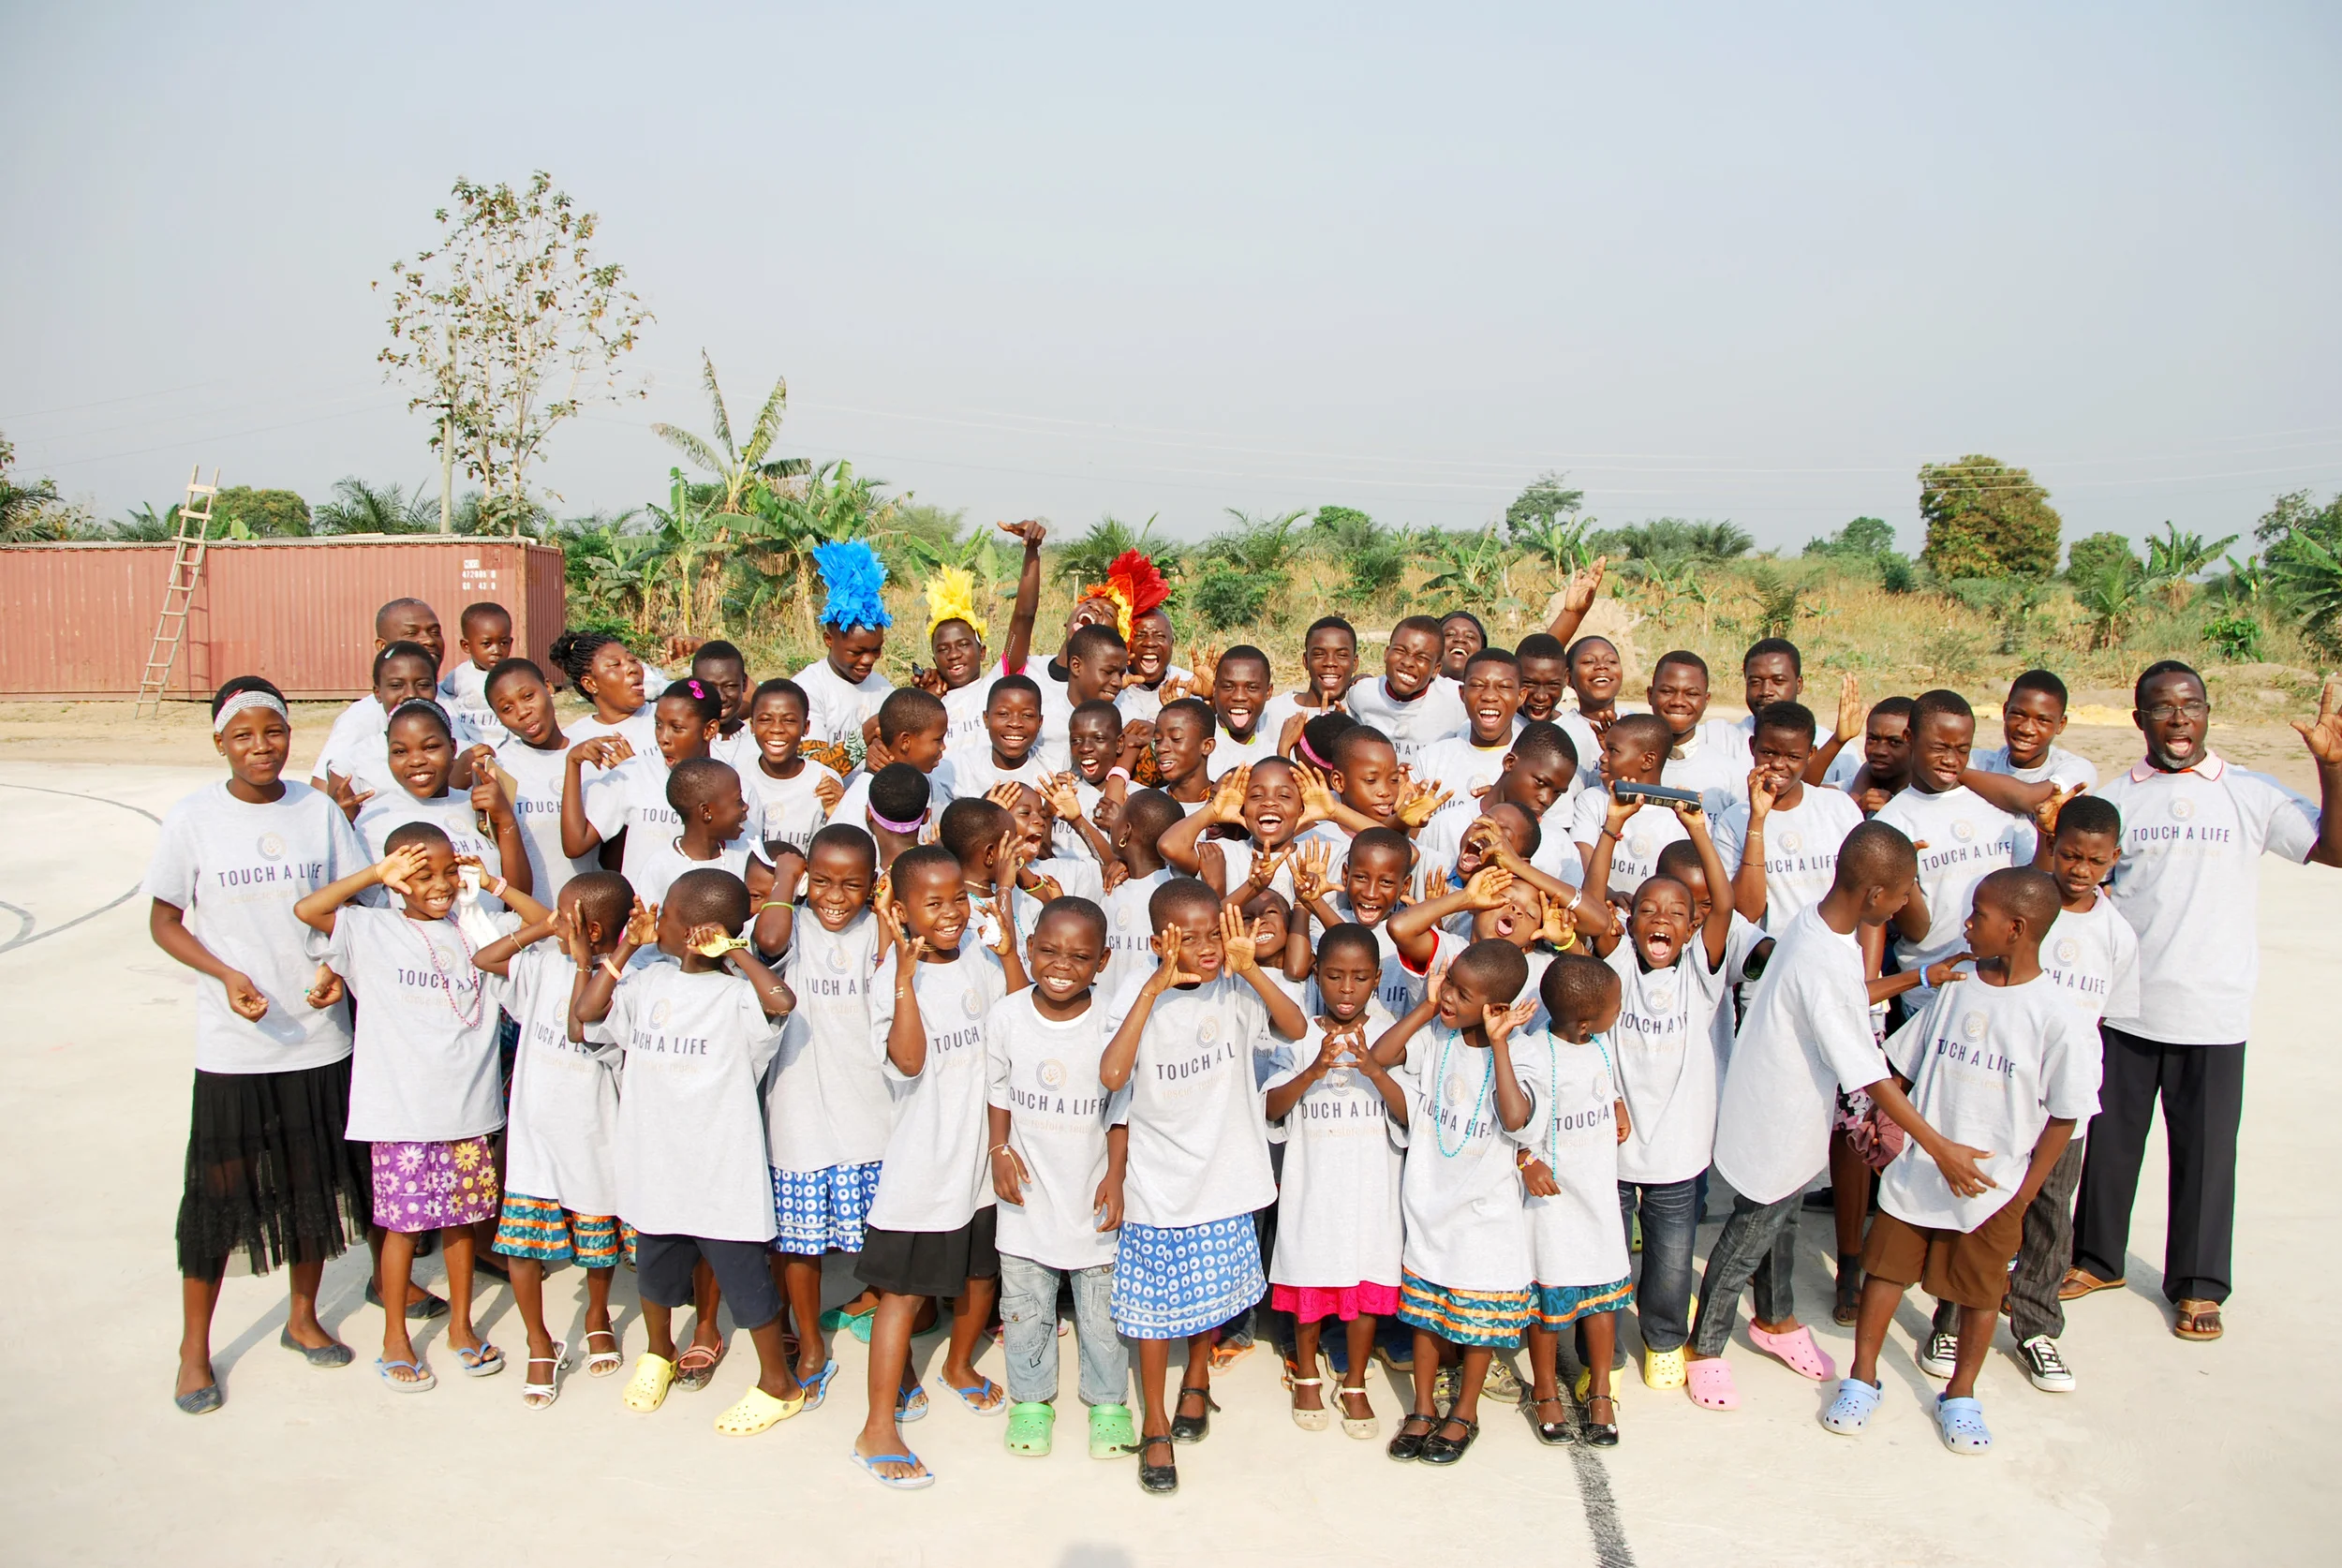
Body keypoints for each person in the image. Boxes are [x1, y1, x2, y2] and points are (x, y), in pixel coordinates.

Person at [2068, 665, 2342, 1341]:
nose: (2178, 719)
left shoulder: (2250, 792)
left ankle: (2197, 1284)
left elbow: (2333, 849)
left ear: (2208, 712)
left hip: (2213, 1011)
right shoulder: (2117, 801)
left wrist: (2332, 769)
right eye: (2162, 708)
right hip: (2128, 1007)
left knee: (2207, 1155)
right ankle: (2097, 1259)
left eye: (2190, 705)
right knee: (2111, 1145)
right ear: (2139, 719)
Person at [1684, 821, 1983, 1412]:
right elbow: (1869, 1074)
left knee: (1783, 1222)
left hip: (1793, 1120)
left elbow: (1844, 999)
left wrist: (1920, 975)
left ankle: (1775, 1318)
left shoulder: (1819, 925)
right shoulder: (1823, 955)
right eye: (1904, 893)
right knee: (1750, 1234)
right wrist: (1940, 1147)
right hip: (1777, 1121)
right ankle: (1705, 1347)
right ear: (1875, 895)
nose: (1905, 904)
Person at [148, 678, 374, 1413]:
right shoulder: (193, 819)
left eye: (272, 732)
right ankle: (194, 1349)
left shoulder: (317, 812)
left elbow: (353, 903)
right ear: (220, 742)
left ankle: (302, 1318)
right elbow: (165, 919)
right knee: (218, 1194)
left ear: (289, 735)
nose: (260, 747)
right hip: (236, 1044)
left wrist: (337, 968)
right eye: (242, 736)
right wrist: (224, 974)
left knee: (314, 1183)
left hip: (317, 1036)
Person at [1823, 868, 2097, 1455]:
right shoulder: (1957, 987)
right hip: (1918, 1173)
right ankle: (1862, 1378)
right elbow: (1904, 1062)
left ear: (2017, 928)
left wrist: (2022, 1194)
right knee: (1884, 1273)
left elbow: (2066, 1115)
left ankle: (1962, 1395)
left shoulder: (2058, 1014)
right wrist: (1879, 1120)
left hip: (1991, 1190)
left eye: (1979, 915)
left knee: (1979, 1295)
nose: (1967, 923)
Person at [573, 867, 810, 1436]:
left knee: (748, 1287)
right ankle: (658, 1352)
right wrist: (626, 947)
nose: (655, 916)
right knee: (654, 1275)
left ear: (690, 931)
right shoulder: (646, 984)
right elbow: (585, 1015)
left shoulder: (737, 998)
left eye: (667, 911)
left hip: (722, 1173)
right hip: (657, 1164)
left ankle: (779, 1386)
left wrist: (736, 951)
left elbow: (783, 999)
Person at [1914, 790, 2135, 1393]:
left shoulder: (2117, 934)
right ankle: (1951, 1320)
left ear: (2114, 860)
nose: (2080, 870)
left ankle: (2036, 1327)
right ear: (2053, 848)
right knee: (1976, 1211)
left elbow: (2105, 1020)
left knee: (2048, 1215)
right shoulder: (2017, 908)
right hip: (1992, 1100)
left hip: (2057, 1111)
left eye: (2094, 861)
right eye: (2070, 855)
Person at [1100, 883, 1308, 1495]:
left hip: (1224, 1175)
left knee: (1209, 1297)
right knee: (1154, 1313)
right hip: (1158, 1181)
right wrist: (1152, 989)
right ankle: (1156, 1426)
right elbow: (1112, 1075)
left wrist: (1252, 970)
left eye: (1213, 933)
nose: (1206, 948)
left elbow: (1295, 1027)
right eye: (1186, 938)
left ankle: (1197, 1380)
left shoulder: (1237, 986)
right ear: (1158, 940)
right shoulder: (1138, 992)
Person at [293, 824, 511, 1392]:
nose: (438, 884)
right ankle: (395, 1337)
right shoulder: (371, 929)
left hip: (467, 1109)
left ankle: (462, 1328)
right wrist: (373, 874)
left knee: (462, 1223)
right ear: (396, 880)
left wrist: (492, 885)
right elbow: (308, 909)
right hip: (401, 1113)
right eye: (421, 874)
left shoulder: (475, 928)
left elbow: (546, 923)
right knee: (402, 1229)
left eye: (447, 872)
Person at [851, 846, 1018, 1489]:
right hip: (925, 1168)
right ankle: (876, 1429)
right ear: (900, 911)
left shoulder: (976, 952)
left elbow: (1018, 1017)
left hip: (982, 1157)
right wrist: (903, 978)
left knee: (981, 1275)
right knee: (903, 1295)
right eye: (933, 903)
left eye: (958, 899)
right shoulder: (892, 979)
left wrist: (1007, 949)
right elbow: (911, 1061)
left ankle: (957, 1366)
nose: (951, 913)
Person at [1579, 796, 1735, 1394]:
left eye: (1675, 911)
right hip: (1614, 1141)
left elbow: (1725, 904)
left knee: (1671, 1258)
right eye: (1647, 909)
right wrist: (1612, 828)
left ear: (1692, 927)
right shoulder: (1617, 961)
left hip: (1677, 1148)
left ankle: (1665, 1338)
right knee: (1607, 1251)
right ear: (1630, 920)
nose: (1660, 919)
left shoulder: (1700, 974)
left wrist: (1699, 831)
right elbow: (1591, 903)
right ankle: (1602, 1350)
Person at [471, 868, 633, 1408]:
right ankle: (539, 1341)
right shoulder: (542, 963)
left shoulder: (624, 978)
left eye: (563, 917)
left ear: (593, 930)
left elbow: (580, 1027)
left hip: (594, 1131)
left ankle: (596, 1314)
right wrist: (543, 928)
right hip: (535, 1131)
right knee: (522, 1242)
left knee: (596, 1240)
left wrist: (586, 962)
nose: (551, 923)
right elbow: (485, 960)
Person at [986, 896, 1140, 1460]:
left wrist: (1116, 1176)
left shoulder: (1111, 1021)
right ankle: (1030, 1401)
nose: (1061, 966)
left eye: (1079, 956)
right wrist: (999, 1149)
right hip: (1026, 1192)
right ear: (1029, 949)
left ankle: (1108, 1404)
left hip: (1091, 1190)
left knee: (1101, 1310)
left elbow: (1120, 1107)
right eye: (1049, 951)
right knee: (1025, 1305)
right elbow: (997, 1089)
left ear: (1103, 961)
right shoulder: (1006, 1016)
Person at [1378, 939, 1542, 1467]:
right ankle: (1423, 1407)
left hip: (1484, 1218)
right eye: (1450, 983)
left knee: (1476, 1324)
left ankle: (1464, 1412)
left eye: (1461, 994)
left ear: (1496, 1007)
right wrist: (1427, 1008)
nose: (1448, 996)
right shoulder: (1435, 1037)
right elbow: (1379, 1058)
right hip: (1429, 1207)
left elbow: (1515, 1119)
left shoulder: (1522, 1053)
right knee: (1426, 1320)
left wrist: (1499, 1045)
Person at [754, 823, 890, 1383]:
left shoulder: (878, 929)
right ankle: (810, 1342)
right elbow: (767, 943)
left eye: (852, 885)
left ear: (873, 884)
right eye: (823, 882)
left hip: (870, 1111)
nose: (835, 897)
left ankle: (883, 1325)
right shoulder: (793, 925)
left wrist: (885, 911)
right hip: (800, 1110)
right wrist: (786, 878)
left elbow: (892, 978)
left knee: (883, 1235)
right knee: (798, 1243)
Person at [1264, 922, 1407, 1439]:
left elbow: (1409, 1113)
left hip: (1370, 1190)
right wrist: (1312, 1072)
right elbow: (1272, 1106)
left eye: (1360, 978)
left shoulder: (1390, 1034)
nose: (1347, 989)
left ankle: (1354, 1382)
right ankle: (1305, 1374)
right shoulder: (1299, 1034)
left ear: (1377, 979)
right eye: (1334, 976)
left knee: (1365, 1281)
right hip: (1314, 1188)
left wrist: (1375, 1069)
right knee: (1309, 1274)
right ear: (1316, 975)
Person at [1521, 953, 1634, 1446]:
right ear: (1586, 1020)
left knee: (1603, 1297)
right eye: (1615, 1006)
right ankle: (1545, 1389)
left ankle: (1601, 1390)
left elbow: (1604, 1086)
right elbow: (1515, 1117)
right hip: (1554, 1205)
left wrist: (1616, 1105)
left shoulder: (1598, 1045)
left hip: (1598, 1197)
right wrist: (1527, 1160)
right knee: (1550, 1299)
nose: (1619, 1012)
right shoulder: (1536, 1055)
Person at [1874, 690, 2030, 1012]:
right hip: (1930, 994)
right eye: (1939, 748)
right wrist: (1905, 878)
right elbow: (1917, 932)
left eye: (1962, 750)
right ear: (1909, 738)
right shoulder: (1891, 823)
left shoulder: (1995, 804)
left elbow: (2030, 884)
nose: (1951, 760)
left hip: (2000, 988)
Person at [350, 699, 529, 912]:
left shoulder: (477, 805)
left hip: (496, 932)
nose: (416, 760)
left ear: (453, 748)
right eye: (400, 751)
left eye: (430, 747)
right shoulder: (374, 819)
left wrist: (506, 819)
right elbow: (366, 909)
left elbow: (519, 899)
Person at [1714, 701, 1866, 928]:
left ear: (1810, 754)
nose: (1778, 764)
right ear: (1752, 746)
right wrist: (1757, 819)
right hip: (1774, 948)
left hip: (1834, 945)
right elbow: (1748, 912)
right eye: (1768, 752)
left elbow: (1863, 894)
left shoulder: (1839, 807)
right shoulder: (1734, 820)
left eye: (1793, 757)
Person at [925, 522, 1047, 754]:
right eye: (943, 649)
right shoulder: (930, 703)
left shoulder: (995, 686)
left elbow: (1024, 617)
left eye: (963, 644)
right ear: (934, 660)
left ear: (982, 652)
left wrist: (1032, 550)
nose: (953, 654)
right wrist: (925, 697)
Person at [486, 658, 598, 903]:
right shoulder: (499, 769)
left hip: (589, 913)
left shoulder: (591, 756)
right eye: (507, 709)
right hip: (530, 917)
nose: (523, 712)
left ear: (548, 687)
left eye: (528, 696)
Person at [793, 540, 895, 769]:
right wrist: (866, 735)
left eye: (876, 650)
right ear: (829, 640)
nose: (868, 660)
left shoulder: (883, 688)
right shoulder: (807, 689)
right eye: (856, 652)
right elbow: (809, 768)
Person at [312, 641, 450, 807]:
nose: (411, 694)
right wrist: (340, 816)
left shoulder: (460, 755)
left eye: (423, 685)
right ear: (378, 693)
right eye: (396, 685)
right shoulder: (350, 763)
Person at [1570, 714, 1688, 899]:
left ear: (1648, 761)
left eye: (1613, 750)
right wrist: (1610, 895)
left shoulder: (1680, 815)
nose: (1602, 757)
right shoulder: (1593, 800)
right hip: (1601, 906)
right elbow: (1582, 861)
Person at [1413, 649, 1528, 826]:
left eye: (1504, 687)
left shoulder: (1531, 766)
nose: (1489, 696)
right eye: (1477, 685)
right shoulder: (1430, 759)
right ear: (1462, 694)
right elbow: (1411, 831)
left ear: (1521, 696)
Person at [742, 677, 845, 862]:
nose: (777, 729)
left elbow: (837, 846)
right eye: (765, 720)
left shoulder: (825, 781)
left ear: (806, 727)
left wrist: (838, 811)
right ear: (752, 726)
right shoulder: (738, 777)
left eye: (789, 720)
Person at [1346, 616, 1468, 765]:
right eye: (1400, 651)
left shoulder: (1458, 699)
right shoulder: (1362, 693)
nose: (1408, 662)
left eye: (1421, 658)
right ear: (1386, 653)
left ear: (1436, 669)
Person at [835, 687, 956, 823]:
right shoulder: (859, 801)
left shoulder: (928, 783)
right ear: (905, 741)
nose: (943, 747)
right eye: (938, 740)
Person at [1648, 650, 1748, 817]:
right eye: (1667, 691)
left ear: (1706, 700)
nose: (1678, 702)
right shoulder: (1628, 765)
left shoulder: (1730, 774)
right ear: (1650, 695)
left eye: (1691, 694)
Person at [549, 629, 655, 754]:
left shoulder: (666, 716)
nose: (632, 668)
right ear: (590, 684)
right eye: (615, 664)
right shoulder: (575, 742)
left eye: (632, 660)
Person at [950, 673, 1052, 800]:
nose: (1015, 723)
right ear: (986, 719)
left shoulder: (1053, 769)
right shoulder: (958, 771)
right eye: (1003, 714)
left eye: (1027, 715)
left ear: (1040, 722)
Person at [1261, 615, 1358, 746]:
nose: (1330, 662)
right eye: (1319, 654)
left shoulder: (1360, 710)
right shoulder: (1272, 711)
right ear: (1306, 661)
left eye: (1342, 655)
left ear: (1355, 663)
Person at [437, 601, 516, 749]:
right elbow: (439, 693)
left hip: (507, 745)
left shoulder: (512, 676)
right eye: (487, 644)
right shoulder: (459, 675)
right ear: (466, 646)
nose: (496, 650)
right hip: (471, 746)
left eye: (503, 643)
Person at [1201, 645, 1278, 778]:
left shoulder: (1276, 742)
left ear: (1268, 692)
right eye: (1228, 687)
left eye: (1252, 688)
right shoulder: (1198, 744)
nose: (1239, 696)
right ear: (1214, 689)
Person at [1826, 694, 1915, 805]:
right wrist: (1837, 741)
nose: (1879, 751)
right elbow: (1808, 791)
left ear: (1916, 745)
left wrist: (1891, 810)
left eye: (1894, 742)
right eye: (1872, 739)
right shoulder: (1857, 784)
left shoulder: (1928, 798)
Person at [690, 639, 760, 773]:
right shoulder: (686, 746)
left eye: (730, 686)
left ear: (744, 683)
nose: (721, 697)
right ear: (693, 685)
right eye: (710, 687)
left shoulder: (762, 745)